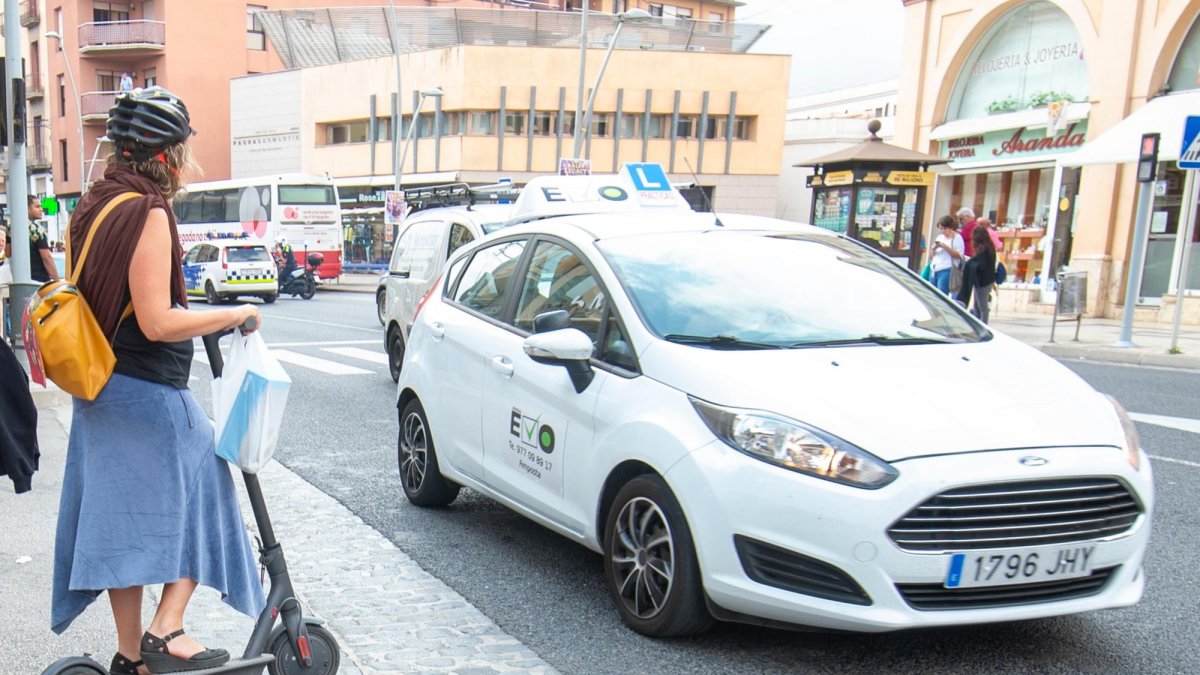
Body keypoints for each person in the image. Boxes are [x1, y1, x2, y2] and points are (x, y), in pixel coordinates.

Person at [51, 87, 264, 675]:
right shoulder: (145, 210)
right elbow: (158, 320)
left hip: (98, 388)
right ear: (167, 154)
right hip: (146, 389)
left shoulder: (91, 204)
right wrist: (235, 313)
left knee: (123, 523)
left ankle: (130, 657)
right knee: (211, 490)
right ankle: (166, 629)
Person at [956, 225, 997, 323]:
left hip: (982, 281)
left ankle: (983, 325)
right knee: (978, 305)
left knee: (981, 306)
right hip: (987, 280)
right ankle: (979, 323)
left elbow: (980, 264)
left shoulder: (982, 249)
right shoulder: (990, 247)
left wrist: (970, 262)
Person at [929, 214, 964, 295]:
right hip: (934, 268)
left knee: (941, 295)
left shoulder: (957, 238)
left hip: (946, 269)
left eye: (944, 229)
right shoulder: (940, 237)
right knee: (932, 294)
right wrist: (933, 249)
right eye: (940, 229)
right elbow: (931, 256)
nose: (942, 231)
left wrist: (944, 246)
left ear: (950, 227)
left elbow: (959, 255)